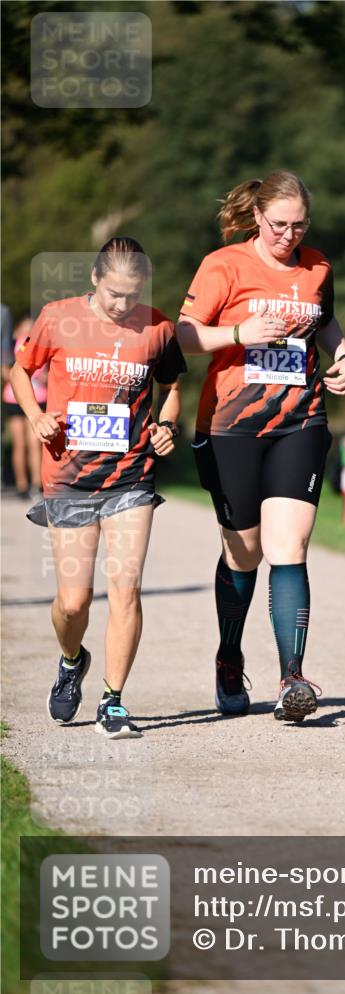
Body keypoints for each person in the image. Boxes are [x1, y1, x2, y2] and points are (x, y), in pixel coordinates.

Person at [176, 171, 345, 723]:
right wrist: (237, 335)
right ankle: (230, 658)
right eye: (278, 224)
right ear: (256, 217)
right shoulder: (223, 265)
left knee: (290, 545)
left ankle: (292, 678)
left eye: (299, 225)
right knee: (243, 550)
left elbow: (325, 324)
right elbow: (183, 334)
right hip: (232, 424)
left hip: (300, 420)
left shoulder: (318, 265)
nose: (288, 236)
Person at [10, 237, 186, 739]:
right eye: (113, 294)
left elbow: (172, 386)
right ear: (94, 279)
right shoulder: (58, 318)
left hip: (131, 475)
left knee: (125, 588)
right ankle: (71, 660)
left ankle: (113, 700)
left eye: (131, 295)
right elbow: (20, 371)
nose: (121, 305)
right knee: (73, 603)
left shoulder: (157, 327)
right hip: (69, 476)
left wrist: (167, 426)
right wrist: (36, 415)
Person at [2, 316, 46, 499]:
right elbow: (5, 369)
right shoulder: (11, 344)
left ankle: (37, 484)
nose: (29, 329)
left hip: (39, 397)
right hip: (14, 399)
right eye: (26, 326)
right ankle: (22, 484)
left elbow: (49, 372)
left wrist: (42, 379)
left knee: (35, 443)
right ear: (18, 328)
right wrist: (21, 380)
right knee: (19, 444)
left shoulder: (42, 344)